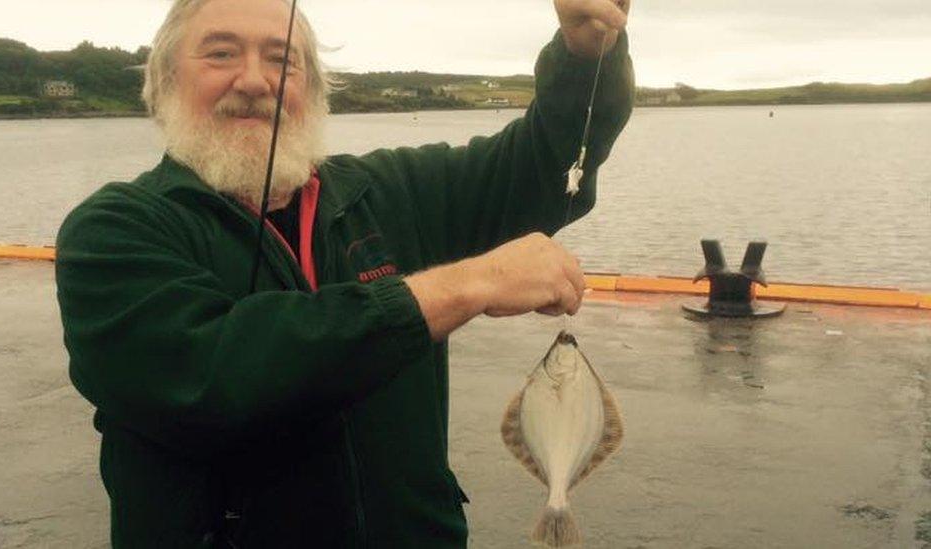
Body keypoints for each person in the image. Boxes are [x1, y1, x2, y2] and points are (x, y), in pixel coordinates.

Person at [54, 0, 634, 546]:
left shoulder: (390, 192)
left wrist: (584, 58)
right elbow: (211, 373)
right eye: (221, 53)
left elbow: (540, 166)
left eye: (284, 59)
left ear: (312, 88)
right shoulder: (113, 232)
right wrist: (462, 285)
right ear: (165, 83)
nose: (256, 80)